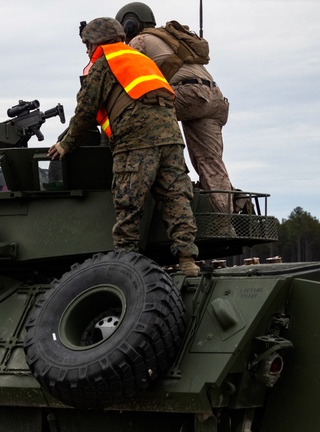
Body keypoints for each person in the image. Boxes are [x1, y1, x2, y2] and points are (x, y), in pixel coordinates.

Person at [48, 17, 200, 277]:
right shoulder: (140, 58)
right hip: (171, 138)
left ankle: (127, 264)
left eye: (87, 44)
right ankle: (188, 260)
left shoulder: (104, 63)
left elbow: (86, 111)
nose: (86, 50)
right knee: (176, 199)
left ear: (97, 41)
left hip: (136, 141)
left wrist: (65, 144)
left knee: (129, 202)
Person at [116, 2, 236, 214]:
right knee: (210, 164)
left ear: (129, 24)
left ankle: (168, 179)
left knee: (141, 116)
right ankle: (225, 221)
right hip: (214, 99)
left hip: (187, 94)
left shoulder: (139, 40)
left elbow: (124, 76)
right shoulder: (166, 39)